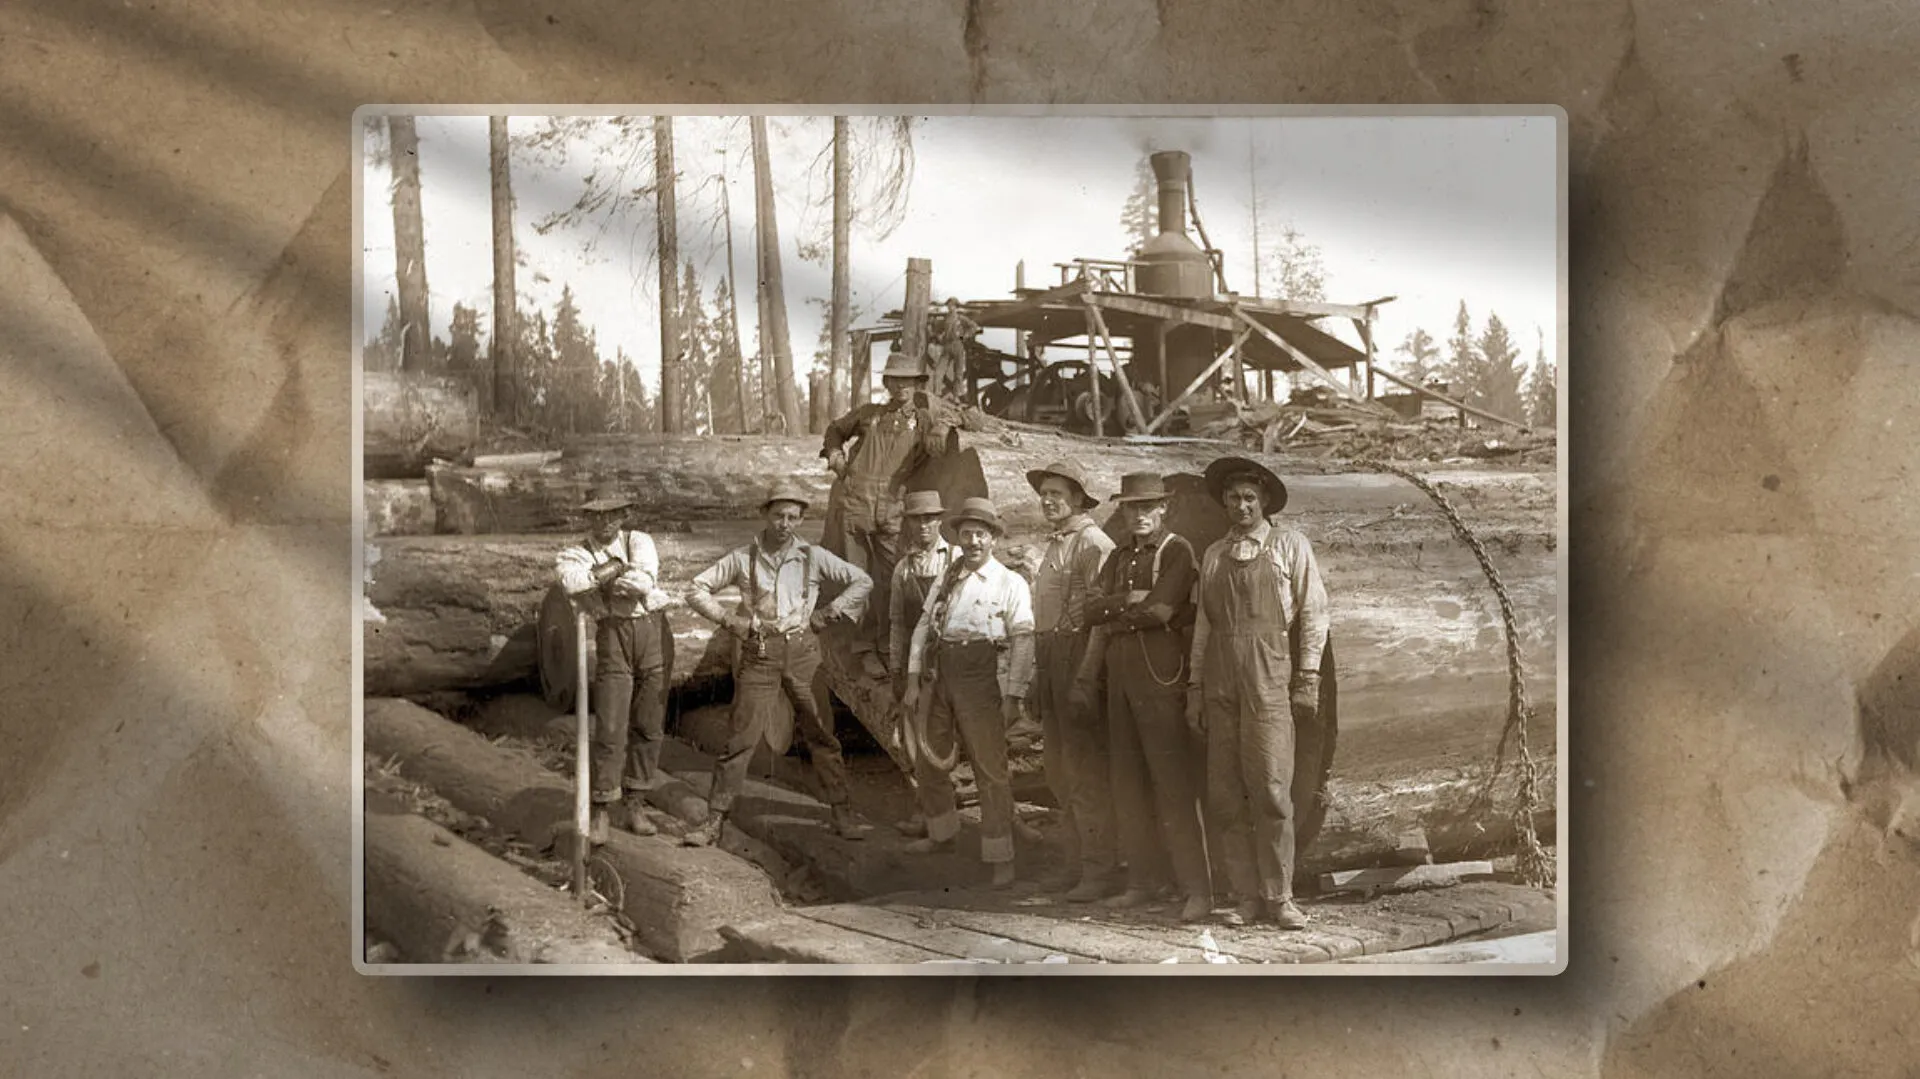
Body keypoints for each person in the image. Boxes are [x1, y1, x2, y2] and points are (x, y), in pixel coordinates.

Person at [682, 480, 874, 847]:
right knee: (741, 738)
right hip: (760, 652)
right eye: (778, 515)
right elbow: (695, 589)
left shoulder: (813, 557)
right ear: (765, 514)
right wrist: (730, 621)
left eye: (792, 517)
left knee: (821, 733)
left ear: (800, 519)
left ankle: (842, 813)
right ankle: (713, 821)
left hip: (803, 651)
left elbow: (861, 581)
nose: (784, 523)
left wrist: (829, 614)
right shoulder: (743, 558)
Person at [1187, 457, 1330, 929]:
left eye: (1249, 497)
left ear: (1265, 501)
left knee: (1270, 789)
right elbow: (1204, 626)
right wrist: (1194, 686)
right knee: (1225, 793)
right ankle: (1244, 896)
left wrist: (1307, 676)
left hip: (1270, 679)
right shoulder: (1212, 554)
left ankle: (1279, 896)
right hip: (1220, 680)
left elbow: (1314, 613)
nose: (1241, 505)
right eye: (1233, 498)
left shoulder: (1289, 546)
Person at [1075, 472, 1211, 922]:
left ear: (1163, 509)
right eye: (1132, 508)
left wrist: (1120, 610)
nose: (1139, 516)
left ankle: (1197, 889)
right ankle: (1141, 882)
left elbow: (1162, 609)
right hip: (1121, 680)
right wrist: (1126, 603)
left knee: (1173, 784)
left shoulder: (1177, 550)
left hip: (1161, 679)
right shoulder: (1119, 555)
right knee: (1128, 783)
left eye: (1147, 507)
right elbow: (1089, 609)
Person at [902, 497, 1034, 888]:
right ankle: (941, 834)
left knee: (989, 768)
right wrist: (912, 679)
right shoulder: (948, 577)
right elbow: (925, 625)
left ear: (993, 538)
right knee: (930, 757)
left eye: (981, 533)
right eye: (966, 534)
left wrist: (1013, 695)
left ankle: (1000, 856)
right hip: (939, 671)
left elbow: (1024, 640)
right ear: (957, 538)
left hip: (982, 676)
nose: (973, 541)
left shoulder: (1010, 582)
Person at [820, 347, 953, 676]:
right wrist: (835, 456)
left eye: (908, 382)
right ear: (888, 383)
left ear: (917, 385)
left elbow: (961, 414)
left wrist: (943, 427)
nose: (901, 388)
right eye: (896, 381)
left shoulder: (923, 421)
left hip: (893, 511)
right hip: (856, 507)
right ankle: (865, 650)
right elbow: (835, 429)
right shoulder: (869, 414)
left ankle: (889, 647)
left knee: (893, 580)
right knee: (859, 581)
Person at [554, 485, 672, 844]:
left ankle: (635, 803)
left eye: (611, 514)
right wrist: (615, 572)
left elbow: (643, 580)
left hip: (652, 630)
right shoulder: (574, 552)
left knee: (649, 723)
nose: (604, 522)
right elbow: (572, 582)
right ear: (587, 517)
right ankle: (603, 806)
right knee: (610, 724)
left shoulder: (640, 540)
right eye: (596, 515)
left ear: (623, 516)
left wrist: (605, 577)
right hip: (613, 634)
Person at [1024, 461, 1119, 901]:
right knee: (1060, 771)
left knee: (1085, 771)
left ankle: (1099, 871)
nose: (1048, 500)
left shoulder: (1092, 544)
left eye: (1058, 493)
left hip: (1078, 657)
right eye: (1044, 493)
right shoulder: (1055, 544)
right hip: (1050, 658)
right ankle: (1074, 864)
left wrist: (1085, 676)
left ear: (1080, 499)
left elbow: (1100, 620)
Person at [886, 489, 959, 839]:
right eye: (917, 519)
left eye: (931, 518)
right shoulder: (903, 568)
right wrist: (898, 669)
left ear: (940, 520)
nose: (925, 526)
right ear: (909, 523)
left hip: (957, 665)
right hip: (921, 667)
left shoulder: (957, 558)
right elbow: (898, 623)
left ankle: (1004, 820)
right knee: (918, 742)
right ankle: (927, 814)